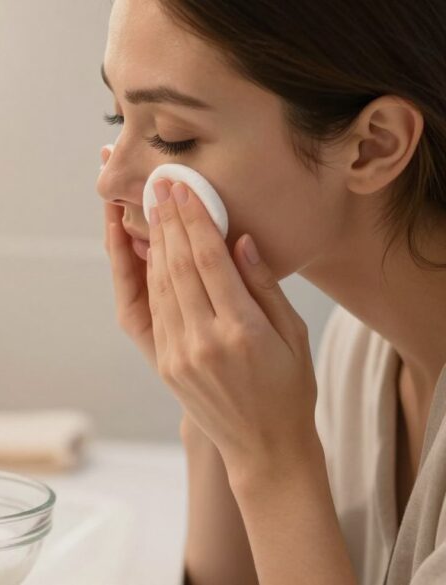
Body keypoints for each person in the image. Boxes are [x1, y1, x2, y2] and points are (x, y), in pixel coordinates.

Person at [95, 0, 446, 584]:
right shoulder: (359, 352)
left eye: (172, 137)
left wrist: (274, 464)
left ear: (374, 145)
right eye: (117, 120)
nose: (110, 180)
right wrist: (214, 415)